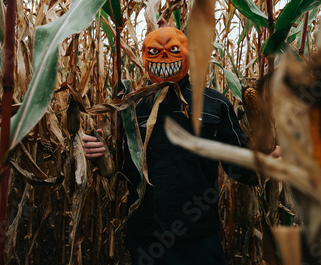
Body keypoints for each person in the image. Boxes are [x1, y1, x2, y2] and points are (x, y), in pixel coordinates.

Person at [82, 25, 277, 264]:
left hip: (198, 235)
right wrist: (101, 154)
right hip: (147, 234)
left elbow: (237, 165)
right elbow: (126, 166)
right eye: (154, 52)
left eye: (173, 50)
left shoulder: (215, 104)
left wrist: (265, 160)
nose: (164, 58)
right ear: (144, 57)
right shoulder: (132, 108)